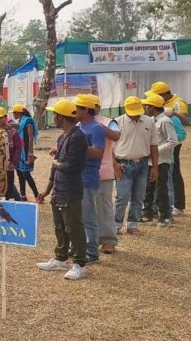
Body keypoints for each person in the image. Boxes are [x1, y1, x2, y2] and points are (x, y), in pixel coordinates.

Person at [36, 99, 88, 281]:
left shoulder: (78, 137)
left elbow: (73, 166)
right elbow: (55, 167)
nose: (54, 118)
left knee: (74, 227)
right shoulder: (62, 137)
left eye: (55, 114)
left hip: (71, 191)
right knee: (59, 227)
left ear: (62, 117)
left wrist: (57, 163)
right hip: (59, 189)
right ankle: (60, 258)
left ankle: (80, 264)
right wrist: (48, 189)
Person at [112, 97, 159, 237]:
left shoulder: (149, 122)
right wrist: (114, 163)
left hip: (143, 163)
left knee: (138, 196)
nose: (135, 115)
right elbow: (109, 146)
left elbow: (154, 145)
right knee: (122, 196)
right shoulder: (117, 122)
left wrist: (155, 167)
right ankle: (116, 224)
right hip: (123, 164)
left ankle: (133, 224)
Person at [147, 82, 188, 215]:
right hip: (160, 141)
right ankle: (158, 204)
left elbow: (186, 122)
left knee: (172, 173)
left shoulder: (177, 103)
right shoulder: (159, 108)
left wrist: (174, 113)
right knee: (162, 176)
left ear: (164, 94)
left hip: (171, 143)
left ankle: (176, 205)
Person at [74, 94, 106, 264]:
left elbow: (98, 153)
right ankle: (79, 247)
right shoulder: (78, 126)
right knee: (76, 216)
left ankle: (92, 251)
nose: (75, 111)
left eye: (78, 108)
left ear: (86, 110)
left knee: (88, 216)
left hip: (88, 177)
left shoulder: (96, 128)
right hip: (75, 176)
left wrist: (80, 145)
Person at [141, 93, 177, 227]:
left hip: (161, 161)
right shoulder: (152, 120)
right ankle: (148, 213)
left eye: (147, 105)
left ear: (154, 107)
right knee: (148, 188)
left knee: (161, 188)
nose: (145, 107)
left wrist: (155, 151)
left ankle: (165, 216)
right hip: (150, 161)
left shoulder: (165, 121)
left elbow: (173, 141)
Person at [93, 99, 121, 255]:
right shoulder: (79, 123)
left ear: (97, 107)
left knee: (104, 206)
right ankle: (90, 239)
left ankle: (108, 240)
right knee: (87, 207)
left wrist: (97, 125)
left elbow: (116, 135)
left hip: (103, 171)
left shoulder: (109, 122)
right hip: (84, 172)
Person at [12, 104, 39, 201]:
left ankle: (37, 195)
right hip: (19, 150)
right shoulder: (19, 121)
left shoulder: (28, 121)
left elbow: (31, 137)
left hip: (26, 150)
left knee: (26, 174)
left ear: (19, 112)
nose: (13, 115)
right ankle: (23, 195)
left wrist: (30, 153)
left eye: (14, 113)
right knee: (19, 173)